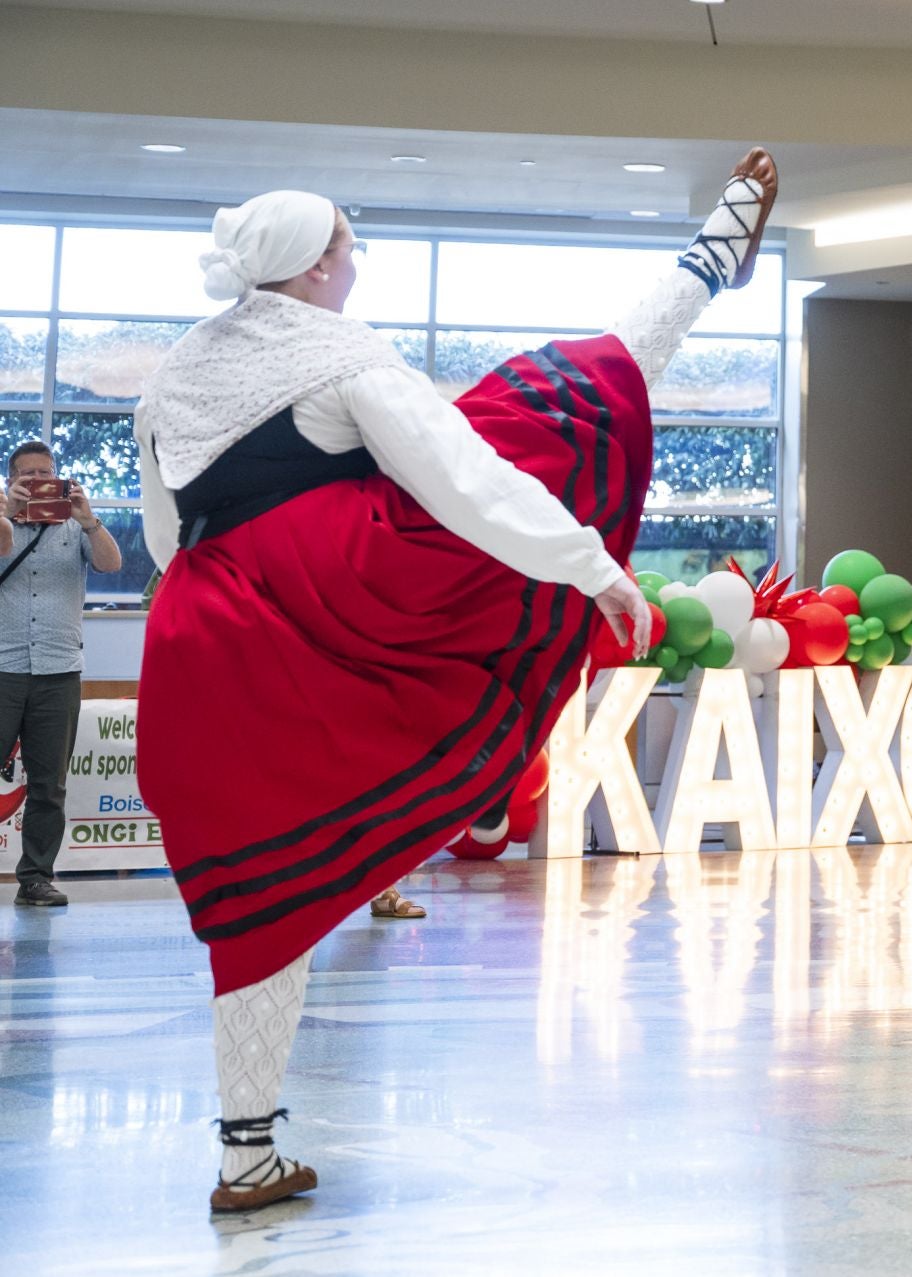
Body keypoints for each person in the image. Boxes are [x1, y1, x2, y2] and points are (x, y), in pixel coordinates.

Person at [134, 151, 778, 1211]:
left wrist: (251, 593)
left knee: (260, 888)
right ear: (314, 265)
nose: (355, 259)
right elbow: (467, 480)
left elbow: (169, 538)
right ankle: (704, 266)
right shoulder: (343, 356)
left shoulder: (173, 373)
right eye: (347, 243)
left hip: (205, 638)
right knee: (561, 401)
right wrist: (595, 566)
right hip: (344, 603)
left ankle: (246, 1150)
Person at [0, 443, 123, 906]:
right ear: (11, 478)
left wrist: (88, 518)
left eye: (45, 473)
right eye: (27, 474)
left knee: (49, 784)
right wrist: (7, 514)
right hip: (2, 666)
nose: (37, 481)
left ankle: (35, 878)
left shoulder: (75, 527)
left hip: (59, 670)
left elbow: (111, 564)